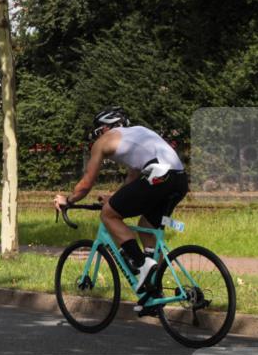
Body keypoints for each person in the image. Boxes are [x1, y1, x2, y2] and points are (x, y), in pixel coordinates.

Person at [54, 107, 188, 316]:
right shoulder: (139, 132)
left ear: (106, 127)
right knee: (146, 228)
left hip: (158, 176)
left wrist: (68, 200)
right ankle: (153, 294)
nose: (98, 135)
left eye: (99, 130)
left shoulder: (103, 142)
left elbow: (86, 184)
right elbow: (134, 178)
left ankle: (142, 265)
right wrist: (115, 198)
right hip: (178, 179)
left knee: (108, 214)